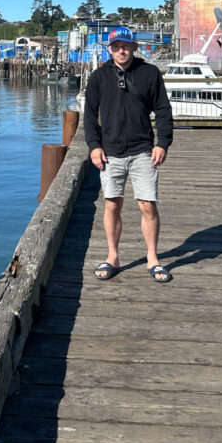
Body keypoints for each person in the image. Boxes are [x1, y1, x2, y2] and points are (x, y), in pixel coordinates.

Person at [83, 26, 174, 282]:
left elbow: (164, 111)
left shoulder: (150, 73)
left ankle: (153, 259)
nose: (120, 50)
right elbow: (89, 115)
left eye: (125, 46)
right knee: (112, 204)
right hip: (110, 152)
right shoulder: (98, 77)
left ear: (134, 47)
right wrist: (94, 146)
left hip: (143, 150)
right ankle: (113, 257)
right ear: (110, 50)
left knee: (147, 204)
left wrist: (163, 143)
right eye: (115, 47)